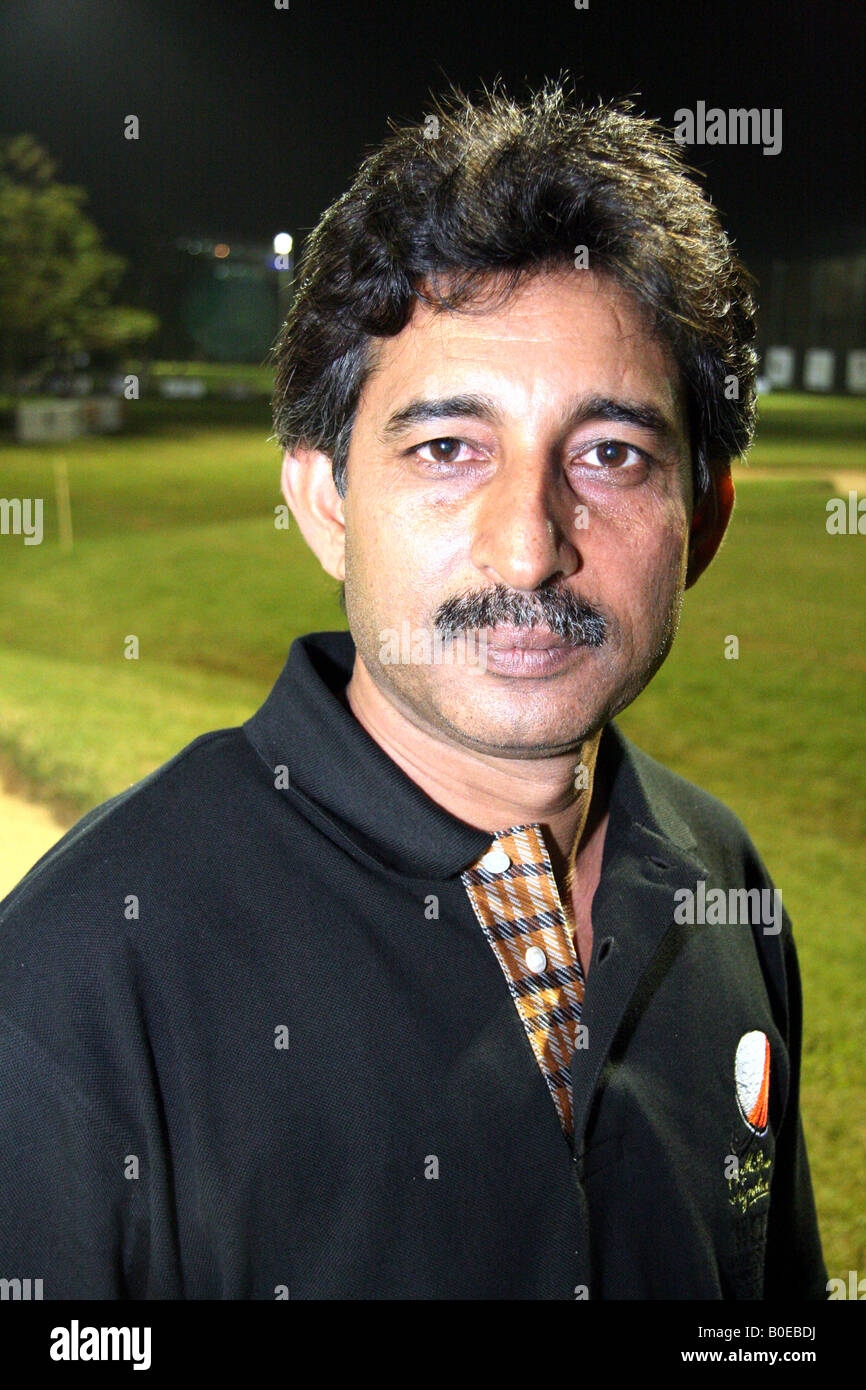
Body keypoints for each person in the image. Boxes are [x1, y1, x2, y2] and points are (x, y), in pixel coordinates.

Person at [0, 78, 826, 1299]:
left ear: (701, 520)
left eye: (609, 454)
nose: (527, 546)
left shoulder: (724, 882)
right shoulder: (78, 977)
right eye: (448, 449)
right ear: (323, 500)